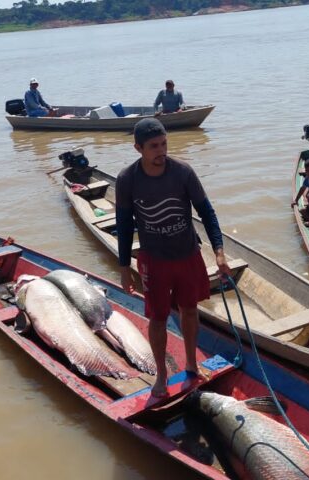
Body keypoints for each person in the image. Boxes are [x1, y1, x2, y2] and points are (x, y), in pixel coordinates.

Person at [115, 118, 231, 398]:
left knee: (190, 309)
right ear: (138, 148)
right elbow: (124, 225)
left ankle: (191, 364)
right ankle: (162, 375)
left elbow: (207, 212)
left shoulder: (183, 172)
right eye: (154, 146)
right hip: (154, 260)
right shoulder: (127, 180)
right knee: (158, 317)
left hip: (187, 254)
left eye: (164, 144)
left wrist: (219, 251)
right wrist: (124, 267)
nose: (161, 151)